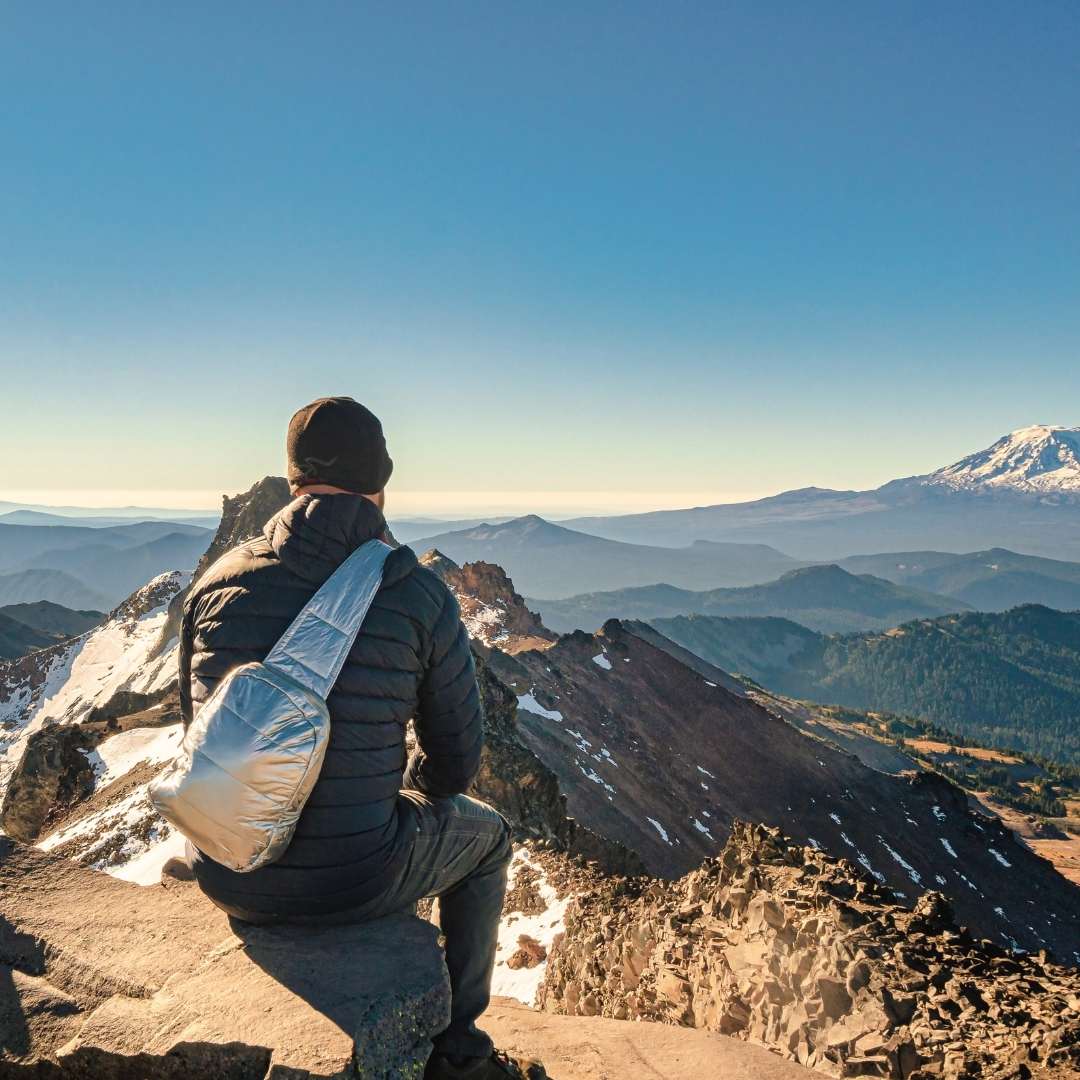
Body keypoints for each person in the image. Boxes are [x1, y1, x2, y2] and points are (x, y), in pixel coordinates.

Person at [178, 396, 544, 1080]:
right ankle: (459, 1043)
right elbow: (456, 765)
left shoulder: (215, 585)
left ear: (292, 480)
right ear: (383, 480)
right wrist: (395, 798)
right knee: (488, 839)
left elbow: (194, 738)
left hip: (226, 869)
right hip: (353, 879)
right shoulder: (415, 593)